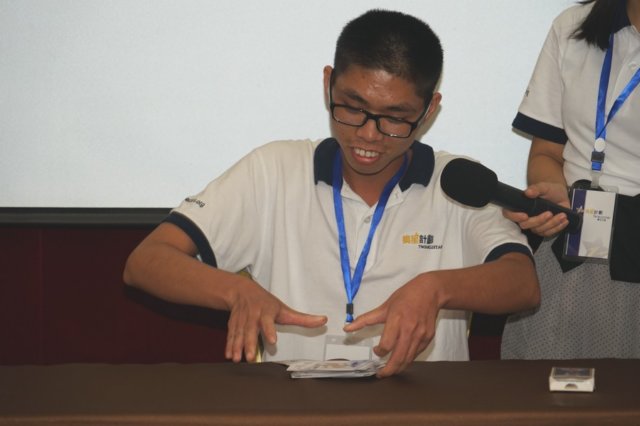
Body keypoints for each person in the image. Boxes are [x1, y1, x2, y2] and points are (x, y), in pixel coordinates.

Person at [124, 9, 539, 377]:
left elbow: (522, 282)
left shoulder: (459, 182)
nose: (369, 134)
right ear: (328, 84)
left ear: (429, 109)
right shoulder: (273, 169)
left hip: (425, 409)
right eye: (352, 108)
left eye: (395, 118)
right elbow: (146, 262)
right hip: (297, 410)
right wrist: (236, 291)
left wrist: (436, 288)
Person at [501, 0, 640, 359]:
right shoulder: (574, 25)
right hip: (574, 240)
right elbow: (546, 152)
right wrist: (554, 197)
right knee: (548, 386)